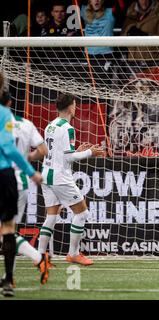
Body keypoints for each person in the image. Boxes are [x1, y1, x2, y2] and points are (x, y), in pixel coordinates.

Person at [37, 94, 104, 266]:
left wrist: (76, 150)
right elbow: (68, 158)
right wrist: (90, 152)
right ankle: (73, 253)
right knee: (82, 212)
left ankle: (39, 256)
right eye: (75, 105)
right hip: (60, 177)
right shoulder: (67, 128)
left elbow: (61, 152)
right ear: (70, 107)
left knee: (51, 216)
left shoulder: (50, 125)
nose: (76, 108)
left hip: (46, 175)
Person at [0, 91, 50, 287]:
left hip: (8, 179)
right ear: (11, 102)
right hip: (19, 183)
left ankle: (37, 259)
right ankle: (11, 276)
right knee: (7, 230)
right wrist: (28, 158)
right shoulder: (26, 124)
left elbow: (8, 148)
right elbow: (43, 150)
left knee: (7, 231)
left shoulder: (5, 123)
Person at [80, 0, 116, 86]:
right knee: (91, 86)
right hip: (89, 56)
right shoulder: (84, 11)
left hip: (105, 55)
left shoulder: (110, 12)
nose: (96, 0)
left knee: (104, 86)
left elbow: (121, 5)